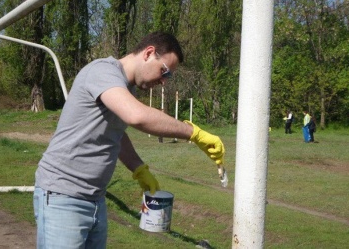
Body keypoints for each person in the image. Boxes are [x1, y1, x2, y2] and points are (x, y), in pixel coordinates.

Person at [33, 31, 225, 249]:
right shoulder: (102, 71)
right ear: (149, 53)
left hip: (95, 200)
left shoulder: (125, 87)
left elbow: (117, 133)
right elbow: (137, 116)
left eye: (168, 76)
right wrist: (193, 133)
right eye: (164, 71)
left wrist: (139, 169)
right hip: (63, 197)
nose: (163, 81)